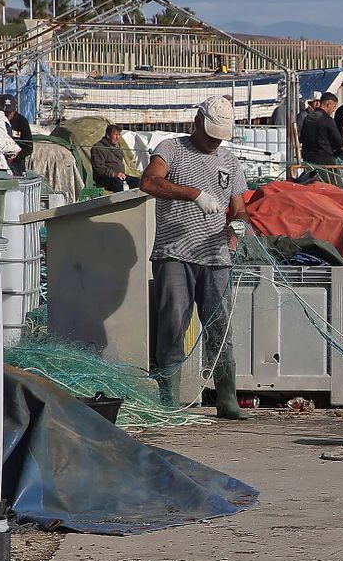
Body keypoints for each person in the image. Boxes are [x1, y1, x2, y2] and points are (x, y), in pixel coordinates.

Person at [139, 96, 250, 420]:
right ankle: (169, 399)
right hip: (174, 254)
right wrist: (193, 194)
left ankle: (226, 398)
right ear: (197, 121)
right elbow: (149, 181)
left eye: (220, 135)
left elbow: (239, 206)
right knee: (173, 324)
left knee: (220, 328)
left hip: (216, 257)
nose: (214, 140)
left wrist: (237, 227)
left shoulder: (229, 162)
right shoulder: (171, 149)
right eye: (210, 132)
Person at [300, 93, 343, 165]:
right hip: (325, 158)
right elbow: (338, 140)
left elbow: (302, 138)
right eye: (334, 107)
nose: (333, 110)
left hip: (308, 158)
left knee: (310, 175)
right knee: (329, 176)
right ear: (328, 105)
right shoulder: (327, 120)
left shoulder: (308, 117)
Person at [90, 124, 136, 192]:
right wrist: (113, 174)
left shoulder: (116, 147)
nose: (117, 137)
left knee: (137, 182)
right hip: (105, 177)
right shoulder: (98, 148)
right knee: (119, 184)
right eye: (115, 135)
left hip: (120, 176)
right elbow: (99, 167)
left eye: (119, 135)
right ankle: (120, 202)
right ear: (108, 135)